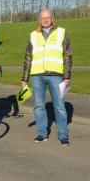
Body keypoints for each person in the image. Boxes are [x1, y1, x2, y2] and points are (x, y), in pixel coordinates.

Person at [21, 9, 72, 146]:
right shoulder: (33, 35)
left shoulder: (61, 32)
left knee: (60, 106)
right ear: (39, 19)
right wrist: (24, 79)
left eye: (47, 18)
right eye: (43, 18)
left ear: (52, 18)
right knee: (38, 106)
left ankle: (63, 135)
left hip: (56, 76)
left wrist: (67, 76)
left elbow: (67, 55)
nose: (45, 20)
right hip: (37, 76)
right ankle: (42, 133)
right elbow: (27, 58)